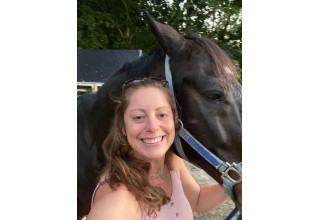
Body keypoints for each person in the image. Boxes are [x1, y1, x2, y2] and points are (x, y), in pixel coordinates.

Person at [87, 77, 227, 220]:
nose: (153, 127)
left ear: (174, 121)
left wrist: (235, 182)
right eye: (138, 117)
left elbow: (198, 200)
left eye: (162, 115)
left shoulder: (171, 162)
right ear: (123, 127)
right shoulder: (117, 200)